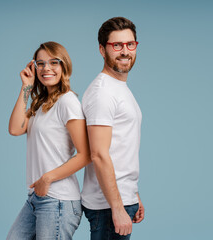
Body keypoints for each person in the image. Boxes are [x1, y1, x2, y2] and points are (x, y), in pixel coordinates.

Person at [7, 41, 91, 240]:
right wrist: (26, 87)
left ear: (64, 66)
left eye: (54, 62)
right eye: (40, 63)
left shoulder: (67, 101)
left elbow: (86, 154)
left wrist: (47, 178)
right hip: (36, 197)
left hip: (58, 199)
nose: (46, 68)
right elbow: (15, 129)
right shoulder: (40, 104)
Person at [81, 17, 145, 239]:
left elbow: (121, 146)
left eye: (130, 44)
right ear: (102, 49)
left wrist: (133, 194)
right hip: (106, 205)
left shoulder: (119, 88)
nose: (125, 51)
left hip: (120, 199)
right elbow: (98, 154)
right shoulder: (103, 92)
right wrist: (117, 207)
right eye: (116, 45)